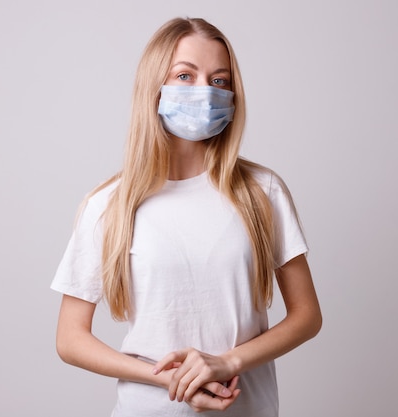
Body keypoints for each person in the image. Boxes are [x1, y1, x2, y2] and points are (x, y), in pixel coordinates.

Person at [51, 16, 322, 417]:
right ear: (154, 87)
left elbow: (307, 316)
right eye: (185, 75)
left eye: (219, 81)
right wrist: (171, 379)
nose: (204, 92)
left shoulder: (262, 192)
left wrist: (227, 363)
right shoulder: (109, 205)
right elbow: (70, 339)